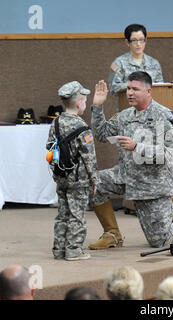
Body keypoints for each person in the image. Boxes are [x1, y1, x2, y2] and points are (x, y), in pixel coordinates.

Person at [88, 71, 173, 249]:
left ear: (148, 91)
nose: (130, 92)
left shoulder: (164, 116)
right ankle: (112, 234)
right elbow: (101, 134)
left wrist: (137, 147)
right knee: (94, 182)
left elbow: (168, 155)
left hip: (152, 185)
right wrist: (98, 107)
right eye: (129, 88)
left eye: (135, 89)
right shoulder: (125, 116)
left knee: (159, 242)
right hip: (126, 176)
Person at [46, 81, 99, 261]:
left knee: (63, 214)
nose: (85, 104)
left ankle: (59, 249)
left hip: (61, 177)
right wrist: (94, 180)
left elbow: (50, 147)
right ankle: (74, 250)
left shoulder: (56, 122)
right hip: (80, 180)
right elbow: (89, 157)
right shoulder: (82, 127)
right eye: (85, 101)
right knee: (77, 215)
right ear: (79, 103)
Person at [108, 24, 163, 96]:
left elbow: (161, 88)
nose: (138, 44)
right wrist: (135, 86)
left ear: (145, 40)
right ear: (127, 42)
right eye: (134, 40)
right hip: (127, 105)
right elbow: (113, 88)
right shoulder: (119, 63)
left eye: (141, 40)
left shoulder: (154, 63)